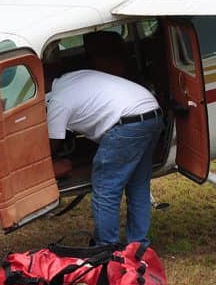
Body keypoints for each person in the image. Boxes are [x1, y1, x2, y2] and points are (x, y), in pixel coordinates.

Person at [45, 34, 163, 246]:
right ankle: (138, 245)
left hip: (127, 123)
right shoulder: (71, 78)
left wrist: (44, 164)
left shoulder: (56, 103)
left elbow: (52, 143)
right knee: (138, 185)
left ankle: (106, 248)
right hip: (152, 111)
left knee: (106, 189)